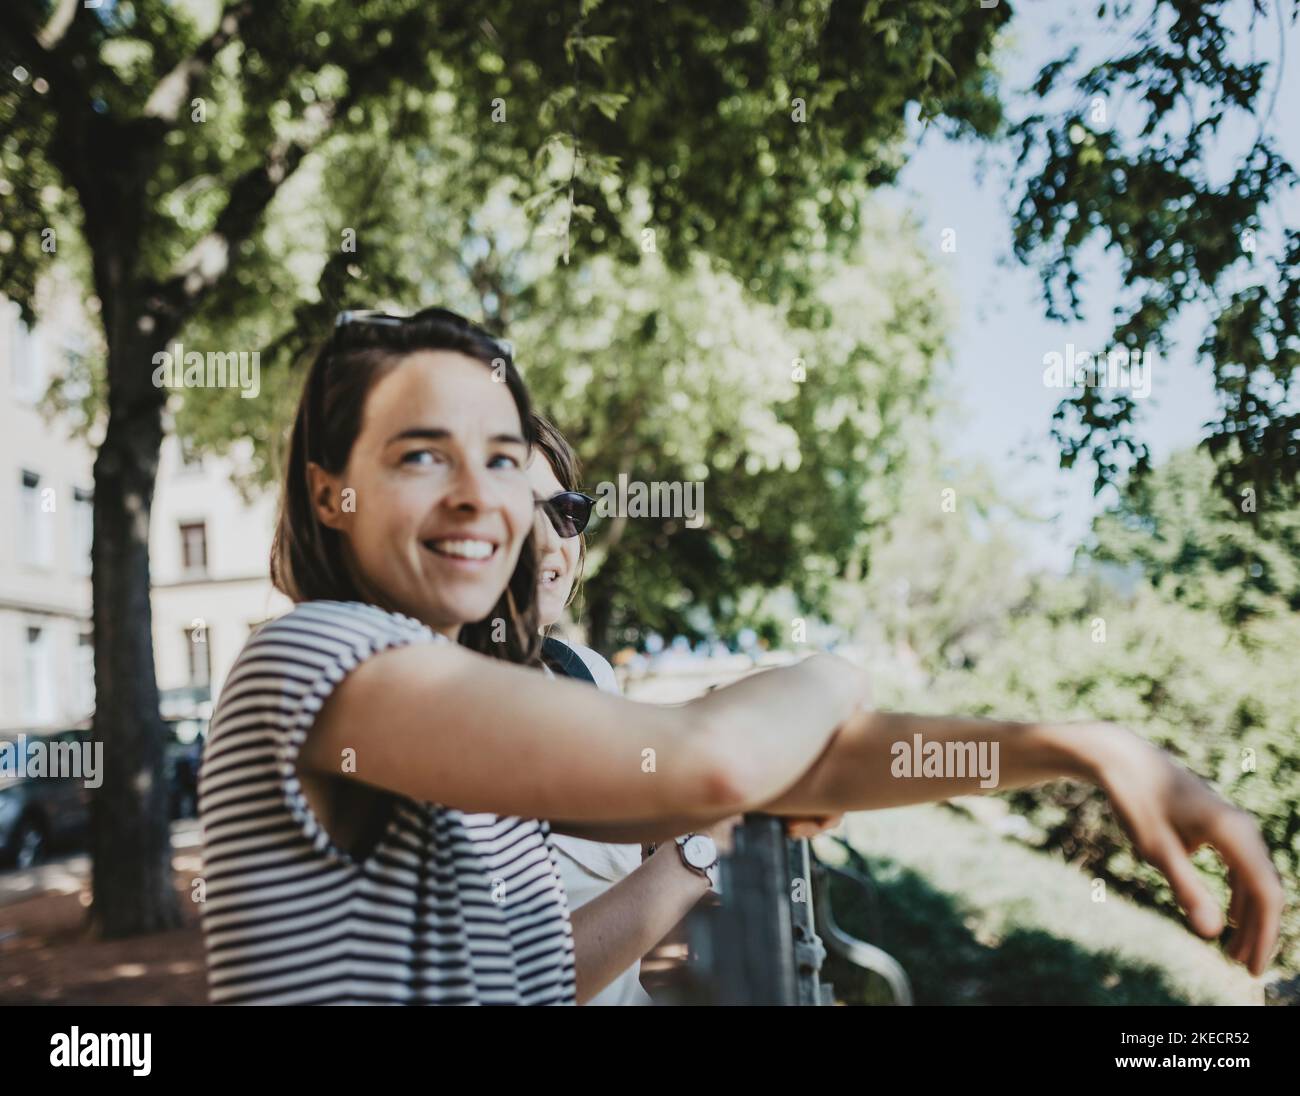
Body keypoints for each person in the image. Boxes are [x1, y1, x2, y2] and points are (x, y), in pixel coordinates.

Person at [197, 305, 1282, 1006]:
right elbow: (715, 763)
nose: (491, 497)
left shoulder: (466, 721)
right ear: (329, 490)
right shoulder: (319, 656)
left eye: (504, 458)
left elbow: (805, 770)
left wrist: (1074, 748)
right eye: (422, 455)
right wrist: (835, 669)